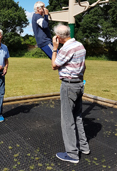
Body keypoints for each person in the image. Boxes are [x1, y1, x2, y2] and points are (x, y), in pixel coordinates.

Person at [51, 23, 90, 164]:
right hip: (79, 84)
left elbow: (54, 65)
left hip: (68, 85)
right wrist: (81, 80)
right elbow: (84, 65)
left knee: (67, 121)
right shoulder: (80, 45)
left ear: (59, 37)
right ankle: (84, 147)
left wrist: (55, 49)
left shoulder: (64, 49)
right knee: (78, 117)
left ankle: (72, 154)